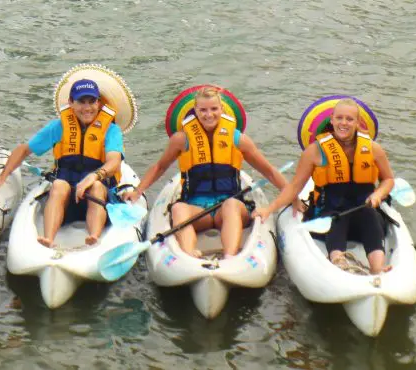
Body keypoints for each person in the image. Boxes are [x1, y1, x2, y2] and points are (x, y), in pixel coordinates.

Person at [122, 86, 300, 259]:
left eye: (214, 109)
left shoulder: (237, 138)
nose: (209, 115)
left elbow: (269, 171)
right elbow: (160, 167)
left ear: (222, 109)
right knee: (177, 208)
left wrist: (293, 197)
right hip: (198, 210)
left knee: (230, 204)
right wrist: (137, 191)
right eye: (203, 110)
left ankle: (230, 257)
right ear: (195, 111)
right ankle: (188, 254)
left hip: (230, 209)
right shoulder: (181, 140)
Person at [0, 64, 138, 247]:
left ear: (98, 103)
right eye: (82, 102)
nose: (87, 107)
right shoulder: (59, 126)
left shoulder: (111, 130)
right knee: (58, 184)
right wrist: (2, 177)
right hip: (67, 197)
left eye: (92, 101)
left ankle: (94, 237)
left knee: (97, 186)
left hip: (97, 196)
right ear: (71, 103)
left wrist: (93, 176)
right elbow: (24, 149)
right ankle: (48, 238)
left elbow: (114, 162)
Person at [253, 98, 394, 275]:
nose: (344, 123)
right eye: (339, 118)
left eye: (349, 119)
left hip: (364, 213)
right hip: (326, 216)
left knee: (369, 215)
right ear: (332, 120)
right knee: (336, 218)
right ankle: (338, 260)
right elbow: (294, 187)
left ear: (358, 123)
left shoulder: (373, 149)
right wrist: (269, 209)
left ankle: (377, 268)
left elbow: (388, 179)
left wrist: (378, 194)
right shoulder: (314, 151)